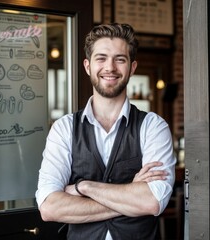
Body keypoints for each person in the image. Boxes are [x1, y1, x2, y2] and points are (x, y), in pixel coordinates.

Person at [35, 23, 177, 240]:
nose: (110, 67)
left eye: (120, 59)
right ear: (87, 66)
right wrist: (130, 195)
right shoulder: (64, 128)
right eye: (101, 58)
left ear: (132, 67)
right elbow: (50, 208)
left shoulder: (153, 126)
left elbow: (152, 201)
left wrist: (83, 186)